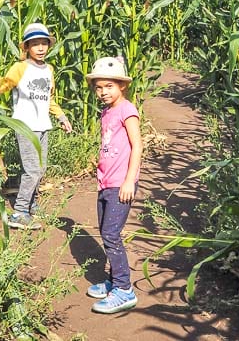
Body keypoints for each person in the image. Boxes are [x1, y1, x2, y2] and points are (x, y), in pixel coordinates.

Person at [0, 22, 72, 230]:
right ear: (26, 47)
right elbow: (2, 88)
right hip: (25, 125)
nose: (40, 48)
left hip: (43, 125)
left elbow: (49, 99)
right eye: (35, 44)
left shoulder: (49, 69)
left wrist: (62, 117)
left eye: (44, 43)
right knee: (32, 170)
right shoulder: (20, 68)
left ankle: (31, 202)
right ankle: (19, 212)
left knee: (41, 168)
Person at [84, 56, 142, 314]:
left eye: (109, 86)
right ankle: (113, 281)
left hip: (121, 183)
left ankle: (124, 289)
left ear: (122, 86)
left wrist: (130, 180)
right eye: (98, 87)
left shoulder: (127, 110)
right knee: (106, 233)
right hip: (106, 182)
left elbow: (138, 145)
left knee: (111, 234)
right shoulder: (107, 112)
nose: (103, 91)